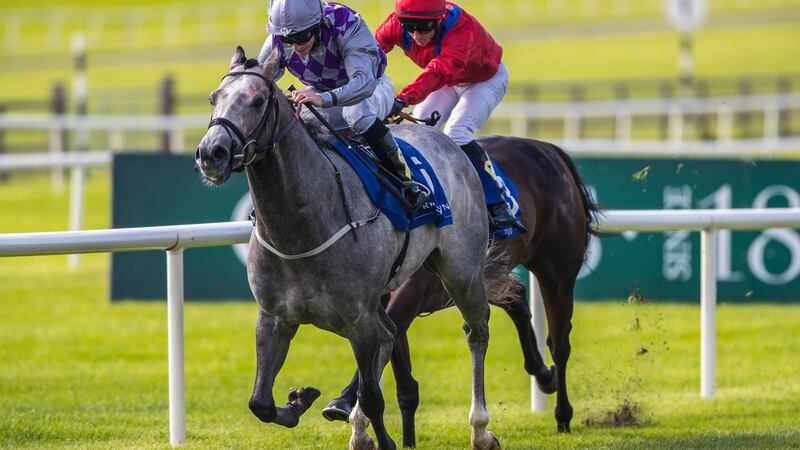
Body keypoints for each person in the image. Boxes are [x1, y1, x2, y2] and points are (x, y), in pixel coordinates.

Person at [258, 0, 426, 208]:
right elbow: (258, 83)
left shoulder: (346, 24)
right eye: (287, 39)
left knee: (355, 113)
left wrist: (324, 98)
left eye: (301, 37)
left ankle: (406, 182)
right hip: (322, 92)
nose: (295, 46)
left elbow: (363, 83)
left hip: (371, 87)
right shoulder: (278, 38)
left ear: (317, 24)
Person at [375, 0, 516, 225]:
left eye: (424, 28)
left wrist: (402, 99)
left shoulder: (462, 29)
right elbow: (371, 52)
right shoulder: (396, 25)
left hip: (485, 80)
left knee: (457, 131)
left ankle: (497, 201)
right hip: (449, 80)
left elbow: (439, 72)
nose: (416, 35)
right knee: (417, 132)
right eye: (409, 27)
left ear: (439, 20)